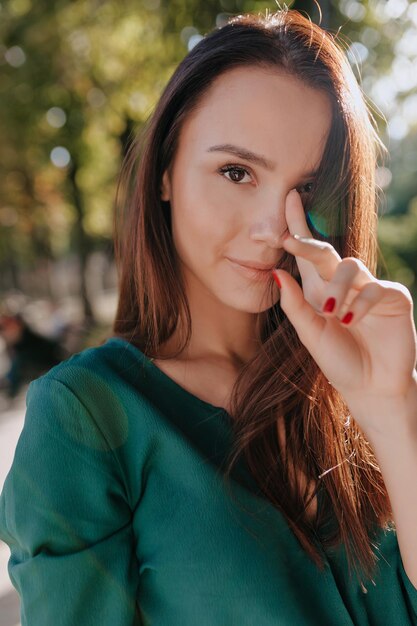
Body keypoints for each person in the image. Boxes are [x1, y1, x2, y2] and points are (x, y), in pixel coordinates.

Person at [1, 8, 417, 625]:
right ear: (166, 172)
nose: (274, 227)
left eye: (305, 190)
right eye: (236, 172)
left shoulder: (354, 385)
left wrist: (390, 407)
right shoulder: (85, 417)